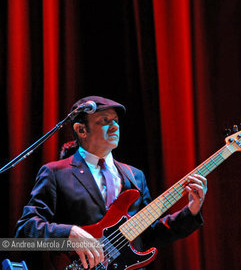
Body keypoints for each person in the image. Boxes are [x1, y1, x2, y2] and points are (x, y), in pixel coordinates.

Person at [15, 96, 207, 269]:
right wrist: (69, 234)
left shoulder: (135, 176)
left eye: (115, 120)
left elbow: (149, 236)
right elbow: (25, 233)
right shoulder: (55, 173)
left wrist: (191, 211)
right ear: (81, 130)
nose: (115, 126)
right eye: (104, 121)